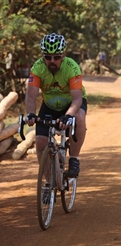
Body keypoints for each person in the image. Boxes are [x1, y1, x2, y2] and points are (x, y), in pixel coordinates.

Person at [25, 33, 87, 178]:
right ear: (43, 56)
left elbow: (77, 99)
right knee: (40, 142)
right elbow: (31, 95)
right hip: (49, 106)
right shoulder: (38, 68)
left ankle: (74, 159)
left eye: (56, 57)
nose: (52, 61)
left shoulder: (72, 67)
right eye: (47, 57)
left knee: (79, 117)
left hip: (72, 104)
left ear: (63, 55)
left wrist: (68, 115)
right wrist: (30, 114)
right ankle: (47, 183)